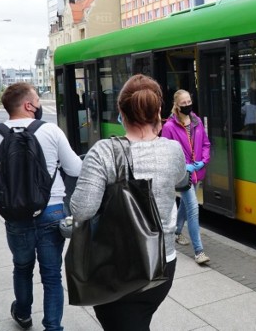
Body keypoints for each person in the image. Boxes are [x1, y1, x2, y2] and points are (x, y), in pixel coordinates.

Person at [0, 82, 82, 331]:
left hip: (15, 216)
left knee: (22, 267)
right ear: (28, 105)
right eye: (36, 100)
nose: (38, 105)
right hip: (52, 211)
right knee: (51, 275)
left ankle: (23, 314)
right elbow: (75, 169)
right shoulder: (51, 131)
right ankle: (53, 327)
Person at [70, 74, 187, 330]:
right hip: (162, 264)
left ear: (120, 111)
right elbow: (182, 179)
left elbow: (82, 209)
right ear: (158, 111)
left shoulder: (102, 152)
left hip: (116, 267)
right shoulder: (173, 150)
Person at [161, 89, 212, 265]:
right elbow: (166, 154)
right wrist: (184, 167)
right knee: (193, 208)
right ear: (176, 105)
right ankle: (199, 252)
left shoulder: (197, 121)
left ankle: (176, 231)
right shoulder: (169, 127)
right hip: (183, 175)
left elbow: (206, 144)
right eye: (183, 103)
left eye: (189, 101)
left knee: (184, 204)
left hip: (197, 173)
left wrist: (203, 161)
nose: (187, 105)